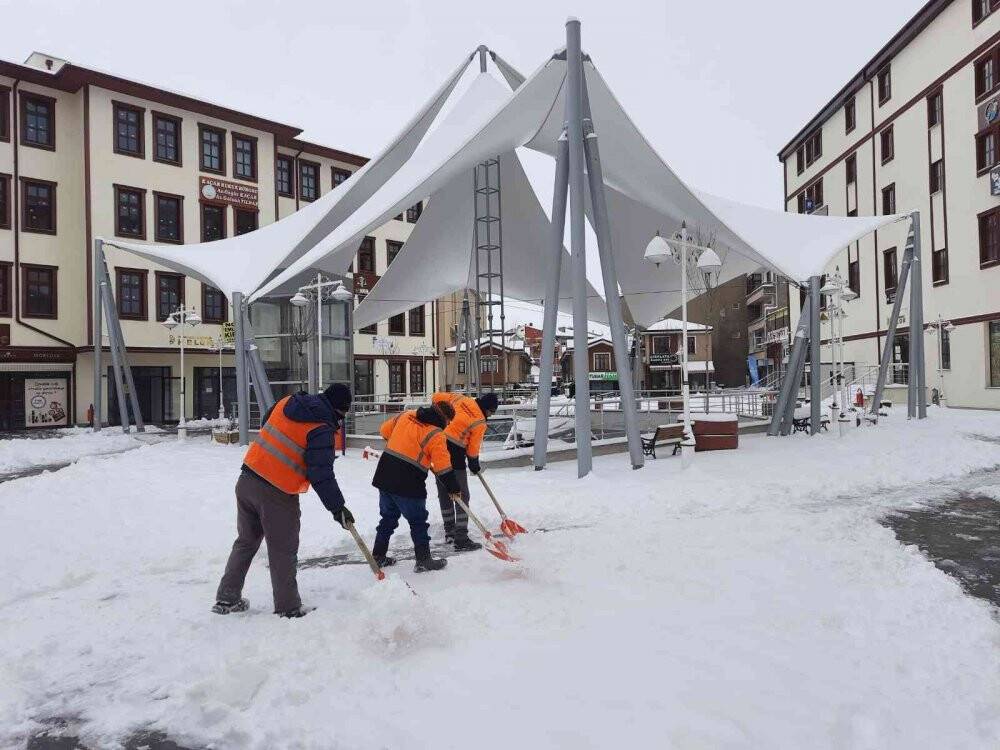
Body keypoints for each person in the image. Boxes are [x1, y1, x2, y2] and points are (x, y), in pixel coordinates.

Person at [213, 383, 354, 618]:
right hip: (276, 492)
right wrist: (338, 508)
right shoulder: (321, 427)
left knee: (246, 541)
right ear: (341, 409)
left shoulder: (289, 402)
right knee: (282, 550)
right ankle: (288, 608)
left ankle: (227, 597)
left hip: (247, 477)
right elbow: (321, 474)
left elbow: (268, 424)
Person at [371, 402, 460, 572]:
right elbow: (443, 467)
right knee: (418, 521)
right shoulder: (436, 434)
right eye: (449, 421)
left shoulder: (407, 415)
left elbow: (384, 431)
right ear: (445, 418)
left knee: (388, 518)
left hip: (386, 473)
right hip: (408, 480)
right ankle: (424, 560)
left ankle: (378, 556)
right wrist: (453, 487)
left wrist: (405, 442)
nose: (448, 425)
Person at [431, 391, 498, 551]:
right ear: (488, 409)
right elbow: (473, 449)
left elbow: (436, 397)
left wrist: (437, 417)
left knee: (444, 490)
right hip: (455, 453)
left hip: (437, 444)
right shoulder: (480, 422)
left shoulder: (461, 398)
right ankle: (461, 536)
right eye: (492, 412)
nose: (491, 415)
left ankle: (449, 532)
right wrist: (474, 464)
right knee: (461, 494)